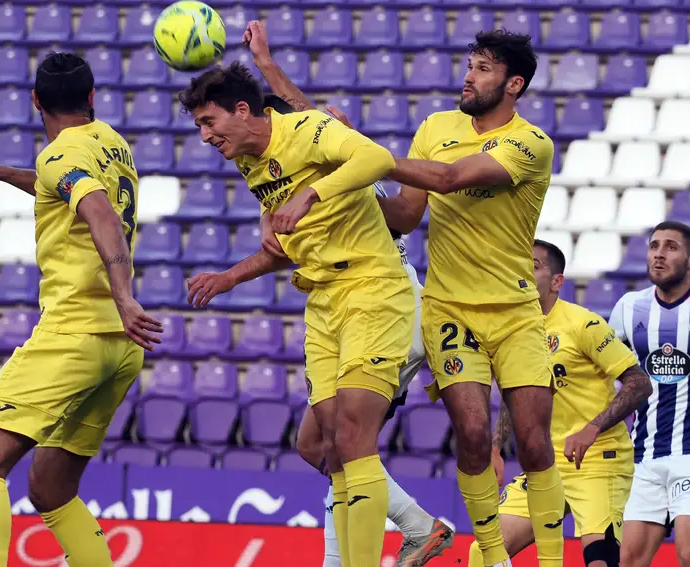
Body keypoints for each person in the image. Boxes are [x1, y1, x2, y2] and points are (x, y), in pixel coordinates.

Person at [178, 61, 415, 567]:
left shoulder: (306, 129)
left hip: (373, 287)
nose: (204, 135)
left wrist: (310, 193)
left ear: (243, 110)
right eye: (198, 125)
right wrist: (229, 278)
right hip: (323, 298)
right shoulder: (249, 161)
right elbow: (289, 241)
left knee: (353, 435)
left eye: (208, 122)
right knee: (331, 445)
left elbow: (374, 157)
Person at [0, 52, 163, 567]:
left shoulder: (59, 154)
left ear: (35, 100)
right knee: (51, 488)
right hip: (121, 347)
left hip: (75, 333)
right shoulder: (112, 143)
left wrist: (125, 295)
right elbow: (61, 185)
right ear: (91, 97)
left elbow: (99, 214)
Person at [245, 22, 454, 567]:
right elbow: (302, 117)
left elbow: (406, 213)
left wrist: (346, 192)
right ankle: (414, 526)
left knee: (347, 442)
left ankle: (382, 544)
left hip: (387, 301)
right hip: (351, 302)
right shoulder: (295, 168)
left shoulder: (342, 165)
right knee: (325, 445)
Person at [364, 30, 564, 567]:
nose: (469, 76)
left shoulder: (532, 143)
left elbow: (451, 179)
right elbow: (408, 214)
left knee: (534, 442)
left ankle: (549, 561)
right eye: (469, 65)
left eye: (483, 69)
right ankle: (494, 559)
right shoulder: (435, 127)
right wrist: (353, 194)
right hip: (450, 309)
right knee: (474, 435)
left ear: (513, 84)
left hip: (515, 310)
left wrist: (363, 156)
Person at [468, 240, 652, 567]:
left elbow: (639, 383)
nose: (522, 272)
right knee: (482, 552)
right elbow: (517, 395)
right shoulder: (513, 330)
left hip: (597, 459)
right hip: (545, 461)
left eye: (535, 266)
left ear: (557, 282)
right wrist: (495, 448)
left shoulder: (585, 325)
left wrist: (591, 429)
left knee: (600, 559)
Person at [607, 221, 690, 567]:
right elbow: (598, 367)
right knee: (630, 559)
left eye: (670, 247)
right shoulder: (629, 307)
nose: (659, 255)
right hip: (645, 454)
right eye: (654, 246)